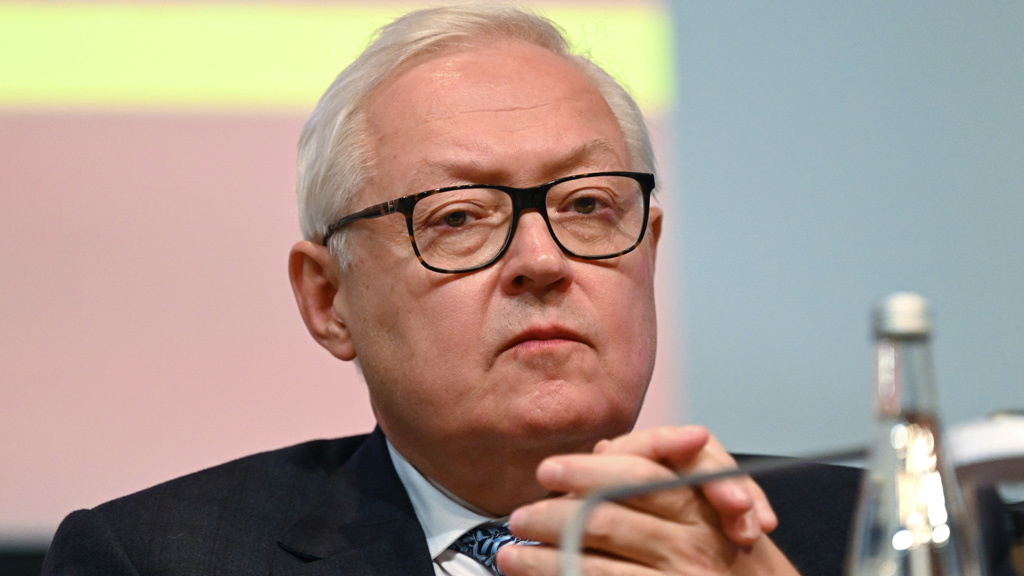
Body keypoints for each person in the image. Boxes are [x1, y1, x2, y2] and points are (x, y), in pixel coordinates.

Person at [41, 5, 860, 576]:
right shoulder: (158, 559)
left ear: (648, 251)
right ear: (328, 300)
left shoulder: (861, 534)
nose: (541, 260)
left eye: (586, 207)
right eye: (459, 217)